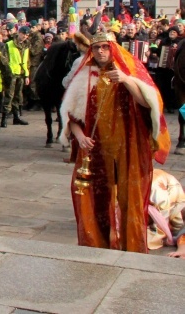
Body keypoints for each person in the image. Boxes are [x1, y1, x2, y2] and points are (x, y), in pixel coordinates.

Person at [60, 31, 170, 252]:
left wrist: (127, 80)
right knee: (91, 197)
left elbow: (149, 104)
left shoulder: (129, 69)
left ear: (113, 48)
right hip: (95, 148)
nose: (101, 51)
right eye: (96, 47)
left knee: (131, 198)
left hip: (127, 145)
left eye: (105, 47)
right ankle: (94, 244)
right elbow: (71, 115)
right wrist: (80, 137)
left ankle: (132, 247)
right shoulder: (85, 75)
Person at [2, 27, 30, 127]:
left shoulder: (26, 45)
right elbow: (4, 60)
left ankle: (16, 117)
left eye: (26, 35)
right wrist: (7, 73)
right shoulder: (9, 44)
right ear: (18, 33)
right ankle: (4, 118)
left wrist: (27, 75)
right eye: (23, 34)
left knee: (17, 96)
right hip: (11, 74)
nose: (24, 36)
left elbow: (27, 61)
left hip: (21, 74)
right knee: (9, 95)